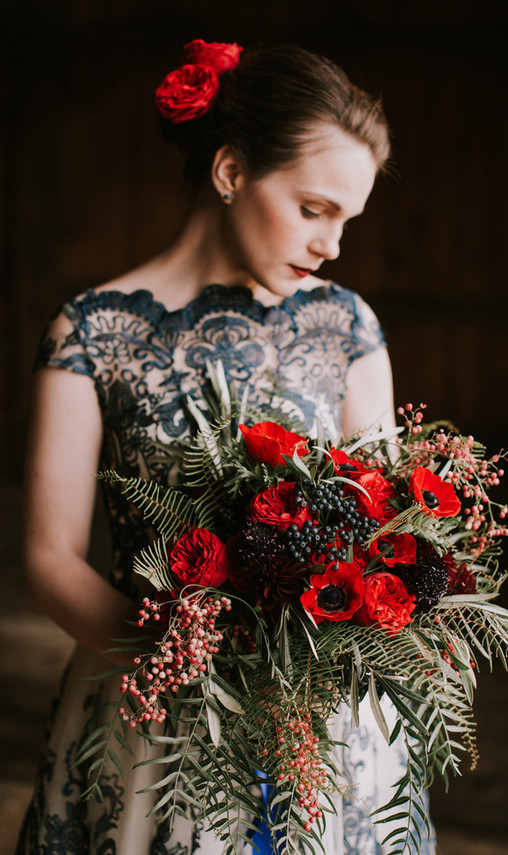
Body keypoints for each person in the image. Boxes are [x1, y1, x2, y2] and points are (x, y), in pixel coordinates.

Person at [16, 40, 437, 854]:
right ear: (232, 170)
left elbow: (385, 529)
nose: (332, 245)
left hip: (319, 726)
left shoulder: (345, 326)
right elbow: (48, 555)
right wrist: (182, 659)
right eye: (313, 209)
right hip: (151, 711)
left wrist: (325, 657)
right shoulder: (92, 331)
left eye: (347, 220)